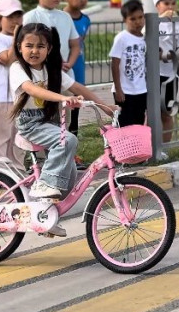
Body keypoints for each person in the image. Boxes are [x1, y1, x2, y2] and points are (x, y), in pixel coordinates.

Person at [9, 23, 116, 201]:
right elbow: (31, 89)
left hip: (49, 122)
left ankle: (49, 211)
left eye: (40, 46)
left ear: (49, 49)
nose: (34, 51)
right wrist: (63, 98)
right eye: (29, 46)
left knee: (69, 177)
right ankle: (44, 183)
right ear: (19, 47)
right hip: (30, 124)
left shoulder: (51, 70)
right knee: (68, 140)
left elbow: (77, 87)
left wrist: (105, 107)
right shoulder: (17, 68)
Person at [0, 0, 26, 168]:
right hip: (3, 94)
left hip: (21, 95)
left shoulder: (26, 40)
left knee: (18, 138)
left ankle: (16, 173)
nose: (15, 21)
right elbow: (10, 59)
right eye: (10, 17)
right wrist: (17, 37)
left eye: (18, 16)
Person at [23, 0, 80, 79]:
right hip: (39, 75)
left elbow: (75, 44)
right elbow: (24, 47)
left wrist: (69, 64)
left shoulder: (66, 16)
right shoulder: (30, 17)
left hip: (65, 74)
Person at [152, 0, 179, 143]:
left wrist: (169, 56)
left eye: (173, 3)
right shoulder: (152, 23)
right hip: (151, 75)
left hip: (170, 75)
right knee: (150, 112)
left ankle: (164, 147)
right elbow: (145, 41)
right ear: (157, 6)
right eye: (166, 3)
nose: (170, 7)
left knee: (166, 112)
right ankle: (148, 148)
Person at [110, 0, 148, 127]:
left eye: (140, 17)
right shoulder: (122, 38)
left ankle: (136, 146)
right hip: (125, 91)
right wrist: (119, 89)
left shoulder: (145, 38)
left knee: (138, 121)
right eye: (133, 19)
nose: (138, 22)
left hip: (141, 89)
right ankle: (121, 146)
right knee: (125, 123)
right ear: (125, 20)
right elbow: (115, 63)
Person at [63, 0, 92, 136]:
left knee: (77, 99)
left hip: (78, 65)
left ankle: (73, 133)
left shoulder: (86, 20)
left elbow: (79, 43)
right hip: (63, 67)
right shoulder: (61, 18)